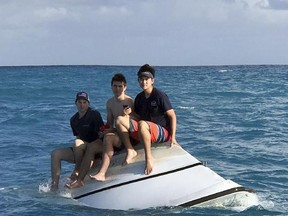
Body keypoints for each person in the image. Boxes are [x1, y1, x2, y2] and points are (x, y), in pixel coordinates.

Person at [66, 73, 134, 187]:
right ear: (111, 86)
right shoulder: (110, 103)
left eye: (120, 86)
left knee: (108, 137)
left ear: (125, 87)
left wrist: (126, 115)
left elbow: (135, 121)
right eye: (115, 86)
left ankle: (102, 173)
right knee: (92, 145)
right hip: (115, 133)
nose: (117, 89)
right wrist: (105, 130)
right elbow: (109, 123)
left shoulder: (129, 101)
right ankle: (79, 180)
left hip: (126, 136)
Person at [116, 64, 179, 175]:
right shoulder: (139, 98)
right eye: (141, 79)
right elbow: (138, 118)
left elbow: (172, 116)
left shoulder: (160, 95)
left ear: (152, 81)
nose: (143, 82)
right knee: (119, 120)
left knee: (142, 124)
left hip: (162, 132)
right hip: (144, 129)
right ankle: (131, 150)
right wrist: (128, 115)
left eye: (146, 79)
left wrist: (173, 138)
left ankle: (149, 158)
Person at [50, 91, 104, 190]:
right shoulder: (73, 119)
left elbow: (101, 134)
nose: (82, 105)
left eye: (84, 102)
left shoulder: (94, 114)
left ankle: (77, 170)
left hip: (94, 149)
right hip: (81, 150)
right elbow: (78, 136)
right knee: (55, 153)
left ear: (88, 103)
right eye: (80, 102)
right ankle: (54, 185)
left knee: (77, 142)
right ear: (76, 103)